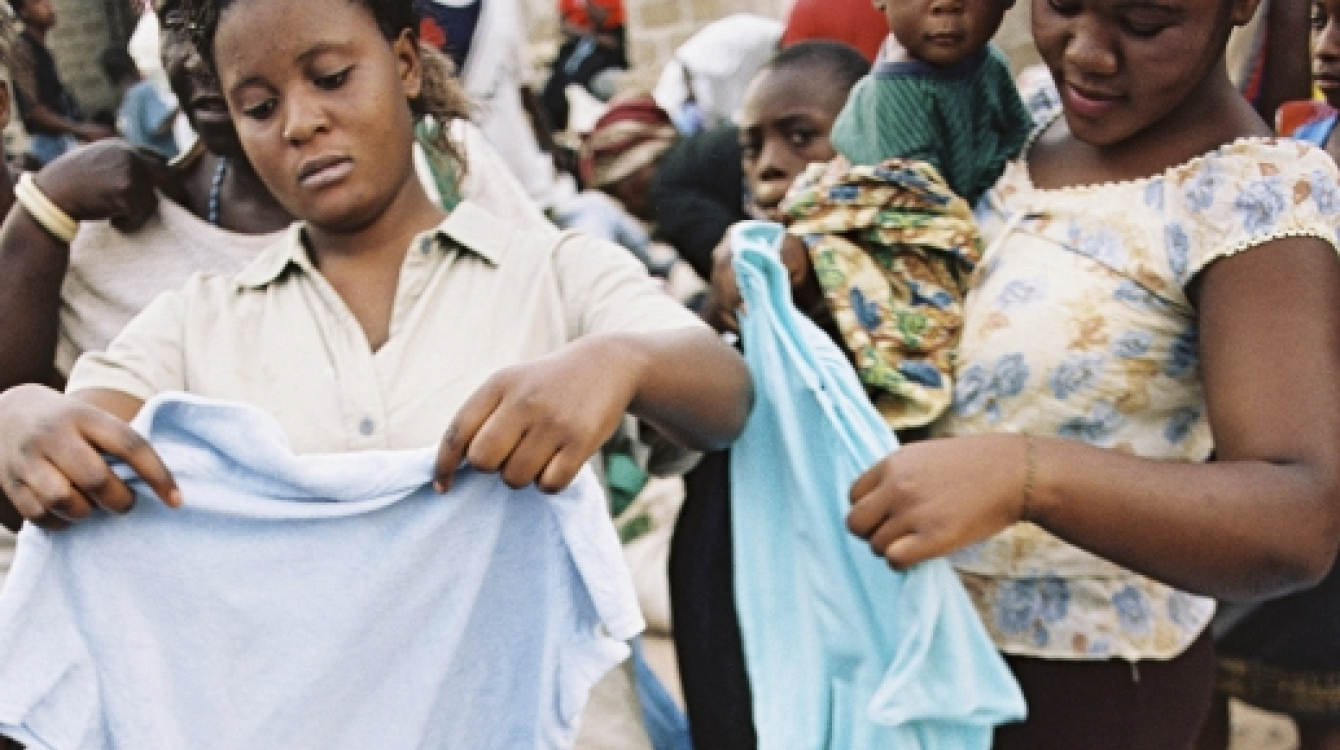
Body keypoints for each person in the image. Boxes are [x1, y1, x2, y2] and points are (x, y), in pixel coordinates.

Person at [0, 3, 752, 750]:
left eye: (330, 78)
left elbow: (728, 398)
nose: (299, 123)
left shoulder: (552, 275)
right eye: (258, 107)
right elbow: (73, 447)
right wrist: (23, 418)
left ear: (403, 63)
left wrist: (622, 362)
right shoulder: (193, 325)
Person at [830, 0, 1340, 745]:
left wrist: (1027, 476)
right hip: (911, 647)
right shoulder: (1021, 109)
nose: (1088, 54)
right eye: (1062, 5)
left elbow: (1298, 517)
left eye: (1143, 22)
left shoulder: (1254, 195)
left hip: (1082, 691)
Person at [668, 41, 869, 750]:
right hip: (725, 578)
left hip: (835, 589)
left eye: (801, 136)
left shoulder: (892, 300)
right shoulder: (730, 299)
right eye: (752, 144)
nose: (768, 164)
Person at [1193, 4, 1340, 748]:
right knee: (1214, 660)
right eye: (1319, 20)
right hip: (1286, 436)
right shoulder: (1297, 152)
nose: (1329, 46)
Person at [830, 0, 1032, 204]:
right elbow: (923, 201)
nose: (947, 4)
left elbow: (1021, 133)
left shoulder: (988, 59)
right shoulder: (899, 95)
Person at [8, 0, 112, 165]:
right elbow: (33, 111)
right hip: (48, 147)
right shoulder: (23, 48)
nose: (48, 5)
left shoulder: (42, 48)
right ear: (23, 12)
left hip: (62, 141)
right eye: (37, 2)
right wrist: (82, 130)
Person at [99, 46, 179, 158]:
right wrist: (180, 105)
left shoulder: (124, 105)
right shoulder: (143, 90)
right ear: (132, 64)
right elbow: (159, 127)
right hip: (163, 161)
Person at [780, 0, 889, 62]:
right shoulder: (894, 6)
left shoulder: (806, 7)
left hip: (826, 95)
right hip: (887, 92)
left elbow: (793, 66)